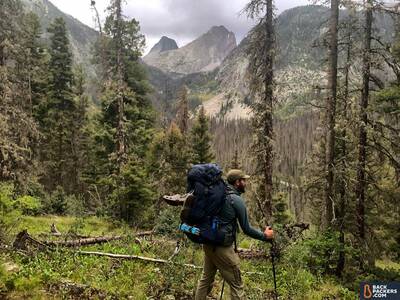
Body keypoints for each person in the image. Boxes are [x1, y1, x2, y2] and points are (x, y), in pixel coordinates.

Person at [195, 169, 274, 300]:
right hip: (222, 248)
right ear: (237, 182)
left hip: (208, 242)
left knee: (205, 280)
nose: (245, 183)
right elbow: (247, 229)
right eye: (244, 180)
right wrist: (265, 236)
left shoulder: (216, 195)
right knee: (237, 284)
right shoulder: (236, 200)